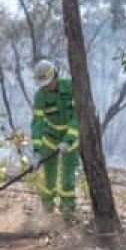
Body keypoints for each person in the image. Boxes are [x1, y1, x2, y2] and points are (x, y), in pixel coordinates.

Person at [29, 60, 79, 221]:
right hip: (50, 140)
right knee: (49, 180)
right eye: (43, 84)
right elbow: (37, 123)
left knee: (68, 180)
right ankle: (47, 213)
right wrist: (37, 152)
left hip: (70, 142)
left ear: (55, 76)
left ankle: (67, 214)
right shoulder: (40, 96)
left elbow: (77, 116)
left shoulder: (71, 87)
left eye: (48, 83)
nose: (46, 87)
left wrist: (68, 139)